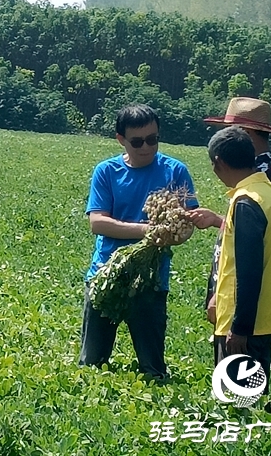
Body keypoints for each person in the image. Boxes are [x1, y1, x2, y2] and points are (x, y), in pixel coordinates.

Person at [80, 103, 198, 377]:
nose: (146, 147)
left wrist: (174, 234)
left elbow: (188, 223)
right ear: (120, 139)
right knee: (92, 364)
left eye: (153, 139)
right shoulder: (107, 171)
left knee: (153, 368)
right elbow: (97, 222)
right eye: (137, 141)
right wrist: (148, 232)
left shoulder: (175, 171)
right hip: (106, 272)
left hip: (152, 278)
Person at [202, 126, 271, 403]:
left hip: (244, 323)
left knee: (238, 402)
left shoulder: (245, 203)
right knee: (255, 395)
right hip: (266, 315)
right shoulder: (270, 193)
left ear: (218, 162)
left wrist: (239, 327)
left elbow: (249, 270)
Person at [189, 96, 271, 328]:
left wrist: (223, 298)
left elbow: (253, 241)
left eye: (231, 130)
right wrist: (217, 220)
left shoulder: (263, 173)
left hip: (241, 300)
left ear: (246, 133)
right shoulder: (268, 169)